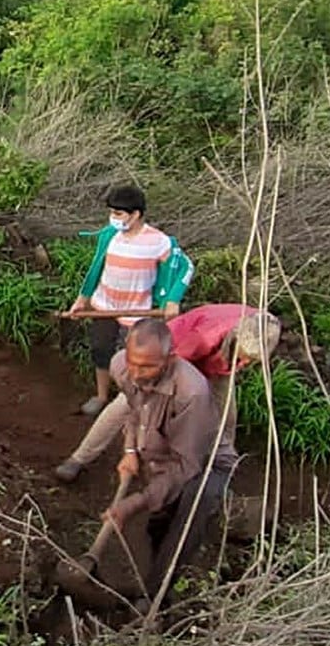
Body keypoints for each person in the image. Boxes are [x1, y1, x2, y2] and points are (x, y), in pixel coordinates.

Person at [54, 305, 281, 482]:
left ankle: (219, 468)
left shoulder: (266, 327)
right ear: (234, 338)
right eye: (244, 356)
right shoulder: (200, 340)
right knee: (126, 405)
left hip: (217, 366)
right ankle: (79, 458)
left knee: (225, 415)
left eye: (251, 360)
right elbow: (172, 373)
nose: (247, 362)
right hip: (168, 355)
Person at [102, 319, 236, 605]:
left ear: (170, 358)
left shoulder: (192, 393)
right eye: (133, 363)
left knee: (184, 524)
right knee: (158, 520)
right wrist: (129, 451)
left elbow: (186, 464)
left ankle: (154, 597)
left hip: (206, 462)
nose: (137, 374)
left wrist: (134, 503)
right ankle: (155, 560)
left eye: (148, 366)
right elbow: (135, 409)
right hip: (161, 451)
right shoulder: (121, 367)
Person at [67, 185, 193, 416]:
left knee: (134, 360)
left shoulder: (159, 241)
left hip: (136, 311)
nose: (113, 218)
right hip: (103, 306)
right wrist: (82, 299)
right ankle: (102, 395)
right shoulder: (109, 235)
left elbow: (186, 267)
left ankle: (131, 403)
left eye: (118, 214)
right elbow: (96, 268)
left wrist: (173, 299)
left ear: (135, 214)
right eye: (111, 213)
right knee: (100, 350)